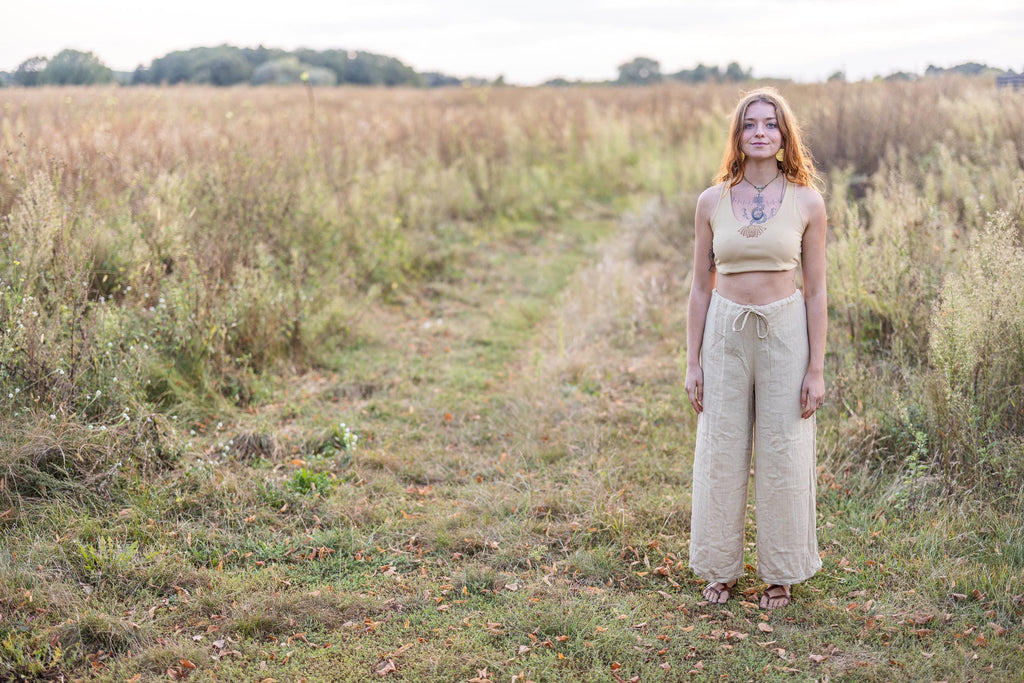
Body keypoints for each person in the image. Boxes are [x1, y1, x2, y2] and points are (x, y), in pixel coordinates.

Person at [684, 87, 827, 609]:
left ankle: (782, 574)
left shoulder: (807, 201)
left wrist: (816, 367)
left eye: (771, 124)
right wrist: (692, 360)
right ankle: (719, 570)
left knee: (783, 450)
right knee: (720, 448)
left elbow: (815, 290)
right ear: (738, 136)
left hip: (785, 331)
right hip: (725, 331)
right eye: (750, 124)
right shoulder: (712, 200)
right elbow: (701, 285)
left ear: (785, 135)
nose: (760, 132)